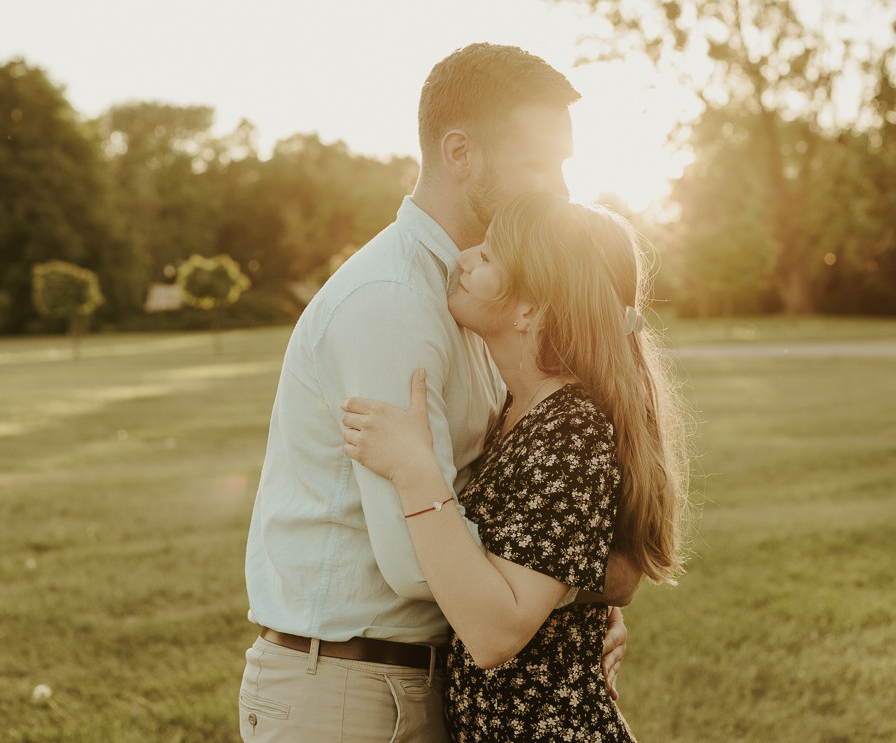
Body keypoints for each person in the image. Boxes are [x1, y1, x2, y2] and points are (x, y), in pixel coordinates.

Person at [240, 43, 637, 743]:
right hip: (351, 691)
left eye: (565, 166)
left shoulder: (474, 304)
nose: (561, 191)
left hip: (402, 681)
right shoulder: (397, 303)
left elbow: (511, 504)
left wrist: (562, 589)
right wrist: (563, 587)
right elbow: (410, 562)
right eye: (540, 166)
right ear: (461, 154)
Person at [341, 192, 686, 742]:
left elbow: (494, 633)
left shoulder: (572, 428)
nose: (463, 257)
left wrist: (414, 469)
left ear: (530, 310)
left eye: (490, 256)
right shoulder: (521, 409)